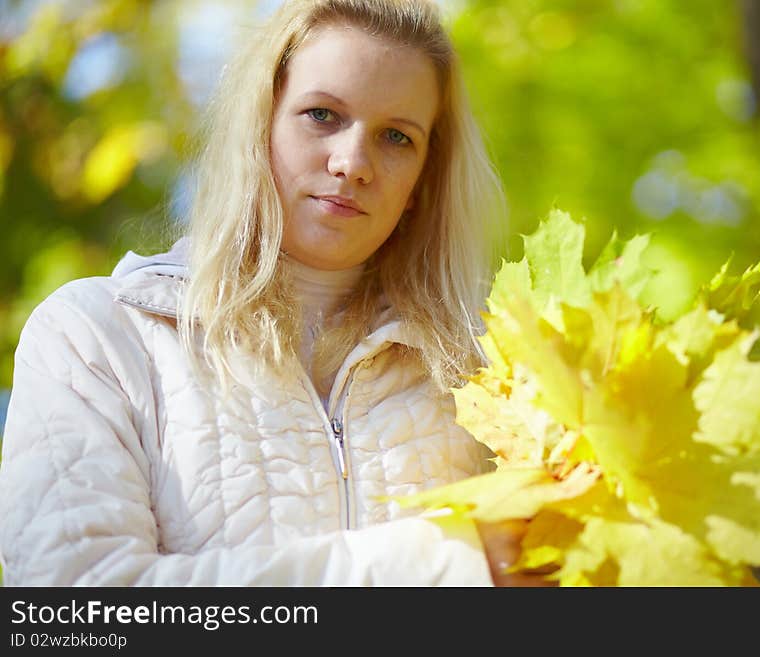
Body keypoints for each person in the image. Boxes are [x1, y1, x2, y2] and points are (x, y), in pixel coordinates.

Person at [0, 0, 553, 586]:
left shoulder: (496, 375)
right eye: (322, 115)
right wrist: (439, 566)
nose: (353, 162)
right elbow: (75, 610)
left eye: (396, 136)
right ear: (259, 125)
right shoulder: (97, 338)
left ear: (423, 180)